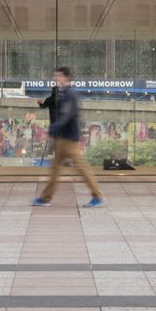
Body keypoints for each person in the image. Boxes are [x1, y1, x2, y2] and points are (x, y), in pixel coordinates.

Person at [33, 67, 103, 207]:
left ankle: (97, 196)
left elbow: (66, 116)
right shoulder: (64, 93)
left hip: (69, 139)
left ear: (65, 77)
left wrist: (51, 130)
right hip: (63, 138)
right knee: (55, 168)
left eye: (58, 76)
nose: (56, 79)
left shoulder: (70, 94)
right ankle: (45, 198)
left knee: (82, 168)